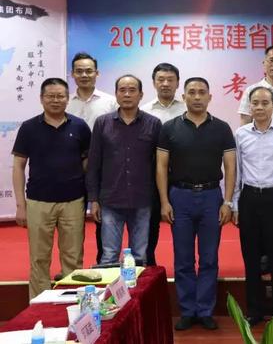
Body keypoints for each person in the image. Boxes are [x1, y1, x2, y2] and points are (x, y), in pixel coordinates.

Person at [157, 77, 236, 331]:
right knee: (183, 259)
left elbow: (230, 167)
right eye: (192, 92)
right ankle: (187, 311)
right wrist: (164, 201)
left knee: (209, 257)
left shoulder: (222, 128)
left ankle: (205, 310)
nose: (197, 96)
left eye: (202, 92)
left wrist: (227, 202)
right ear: (184, 97)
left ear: (210, 97)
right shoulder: (169, 128)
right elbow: (161, 166)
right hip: (180, 197)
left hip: (212, 197)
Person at [12, 78, 91, 299]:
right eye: (50, 96)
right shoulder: (28, 128)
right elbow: (18, 166)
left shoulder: (80, 126)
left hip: (73, 201)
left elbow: (87, 163)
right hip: (38, 201)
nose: (55, 100)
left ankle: (74, 303)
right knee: (39, 258)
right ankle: (40, 306)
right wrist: (20, 205)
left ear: (67, 99)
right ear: (41, 98)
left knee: (73, 258)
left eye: (60, 96)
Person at [232, 86, 273, 327]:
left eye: (265, 103)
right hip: (249, 199)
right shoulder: (241, 134)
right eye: (255, 103)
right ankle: (255, 309)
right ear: (249, 106)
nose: (259, 107)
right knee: (251, 257)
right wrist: (236, 204)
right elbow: (237, 172)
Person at [86, 75, 161, 265]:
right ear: (116, 94)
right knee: (109, 255)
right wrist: (93, 199)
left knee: (140, 257)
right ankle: (110, 287)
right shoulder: (102, 123)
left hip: (142, 200)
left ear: (141, 94)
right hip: (110, 200)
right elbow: (94, 163)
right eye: (122, 90)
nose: (127, 94)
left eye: (132, 90)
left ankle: (137, 286)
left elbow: (160, 165)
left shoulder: (153, 124)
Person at [67, 52, 117, 265]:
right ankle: (73, 267)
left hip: (102, 172)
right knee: (72, 224)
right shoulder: (65, 103)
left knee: (102, 222)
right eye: (79, 71)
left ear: (97, 73)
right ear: (72, 74)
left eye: (89, 71)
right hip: (72, 171)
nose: (84, 75)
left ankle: (103, 265)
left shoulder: (111, 102)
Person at [141, 63, 186, 266]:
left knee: (183, 225)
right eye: (161, 80)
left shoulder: (187, 109)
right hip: (151, 176)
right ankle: (148, 267)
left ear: (177, 83)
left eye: (170, 80)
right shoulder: (143, 111)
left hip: (181, 176)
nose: (165, 84)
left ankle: (183, 267)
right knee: (150, 225)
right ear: (154, 83)